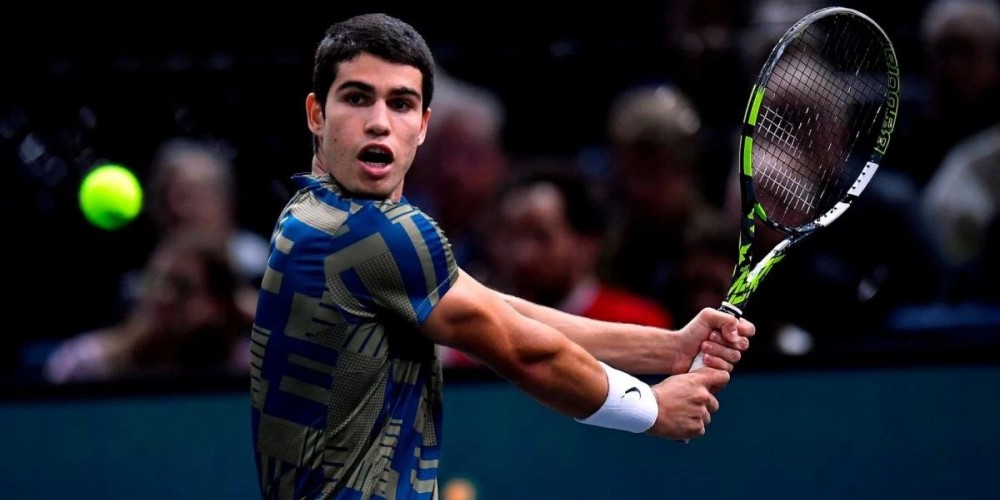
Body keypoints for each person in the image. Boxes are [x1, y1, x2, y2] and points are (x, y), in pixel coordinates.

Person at [250, 13, 755, 499]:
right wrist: (653, 407)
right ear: (316, 114)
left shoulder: (310, 213)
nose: (379, 122)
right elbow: (525, 352)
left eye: (400, 103)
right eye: (357, 98)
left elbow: (499, 311)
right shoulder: (376, 232)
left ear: (423, 125)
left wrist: (668, 349)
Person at [43, 231, 255, 384]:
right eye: (156, 280)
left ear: (218, 302)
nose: (163, 296)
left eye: (182, 287)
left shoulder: (250, 371)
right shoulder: (85, 367)